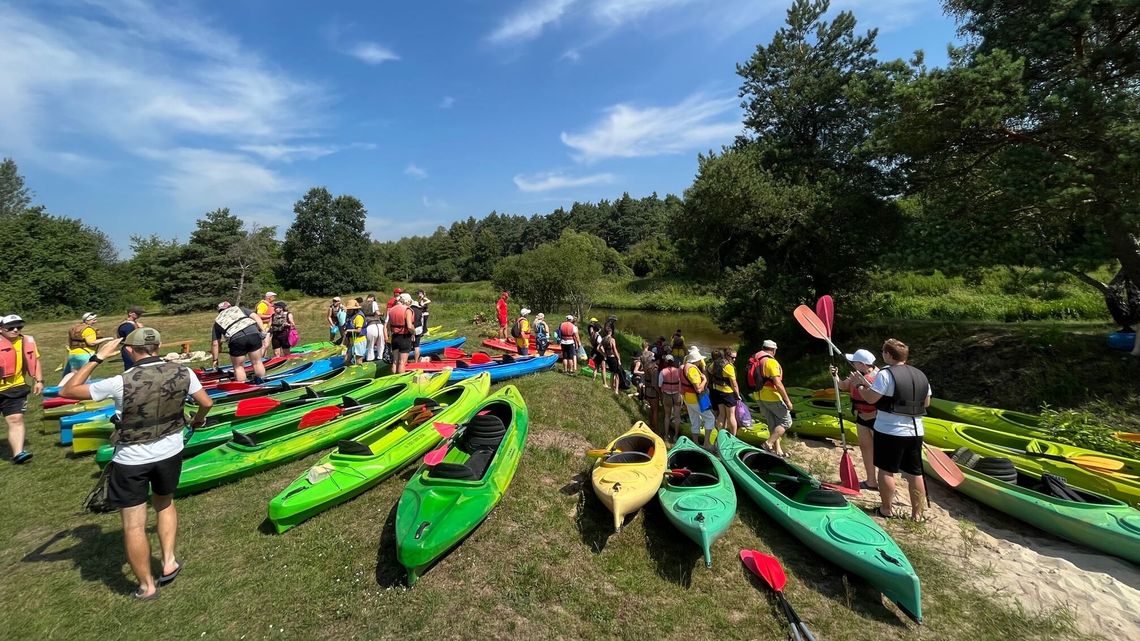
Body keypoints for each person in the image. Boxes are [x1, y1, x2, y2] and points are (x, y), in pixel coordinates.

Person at [60, 330, 212, 600]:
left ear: (129, 350)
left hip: (131, 460)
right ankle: (168, 561)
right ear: (158, 346)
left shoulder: (119, 381)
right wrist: (198, 419)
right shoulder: (184, 372)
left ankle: (147, 586)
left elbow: (68, 390)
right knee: (165, 504)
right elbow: (206, 402)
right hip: (170, 452)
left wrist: (97, 357)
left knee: (133, 525)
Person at [852, 339, 931, 521]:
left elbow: (871, 398)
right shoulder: (920, 374)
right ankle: (917, 515)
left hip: (890, 430)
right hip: (916, 431)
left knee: (886, 470)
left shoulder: (886, 374)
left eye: (883, 352)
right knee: (915, 473)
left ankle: (886, 509)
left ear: (888, 355)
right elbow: (926, 402)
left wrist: (860, 386)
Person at [831, 348, 881, 490]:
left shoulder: (879, 376)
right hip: (861, 417)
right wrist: (835, 376)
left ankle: (884, 482)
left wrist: (863, 384)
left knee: (880, 452)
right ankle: (871, 481)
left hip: (877, 418)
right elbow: (842, 386)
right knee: (866, 448)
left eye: (854, 362)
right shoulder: (856, 375)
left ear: (862, 364)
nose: (852, 364)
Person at [0, 315, 42, 464]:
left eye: (19, 327)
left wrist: (39, 380)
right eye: (11, 327)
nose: (15, 330)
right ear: (1, 329)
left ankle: (18, 453)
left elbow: (35, 361)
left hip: (16, 388)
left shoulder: (27, 341)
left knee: (16, 419)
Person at [754, 340, 793, 457]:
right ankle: (768, 444)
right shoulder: (770, 362)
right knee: (786, 422)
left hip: (758, 395)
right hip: (771, 397)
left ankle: (778, 451)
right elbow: (778, 383)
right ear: (773, 350)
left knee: (773, 423)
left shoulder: (756, 358)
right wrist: (787, 401)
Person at [210, 302, 266, 383]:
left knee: (238, 366)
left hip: (236, 339)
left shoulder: (217, 321)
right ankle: (262, 381)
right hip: (253, 333)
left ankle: (242, 385)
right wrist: (263, 330)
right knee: (257, 362)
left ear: (219, 311)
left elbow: (215, 343)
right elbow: (256, 317)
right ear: (230, 306)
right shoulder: (240, 309)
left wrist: (215, 359)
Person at [681, 348, 715, 444]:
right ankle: (706, 444)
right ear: (696, 360)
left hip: (687, 398)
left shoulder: (684, 367)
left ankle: (695, 443)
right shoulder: (692, 370)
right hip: (695, 398)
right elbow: (698, 389)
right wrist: (704, 380)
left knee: (695, 421)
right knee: (710, 418)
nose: (700, 361)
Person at [709, 348, 742, 436]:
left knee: (722, 414)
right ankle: (733, 437)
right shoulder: (729, 367)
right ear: (727, 356)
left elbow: (709, 370)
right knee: (731, 416)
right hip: (728, 393)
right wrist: (737, 395)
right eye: (732, 357)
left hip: (717, 391)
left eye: (735, 358)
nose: (734, 360)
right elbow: (734, 384)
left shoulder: (716, 363)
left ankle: (720, 435)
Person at [387, 293, 416, 373]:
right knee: (402, 362)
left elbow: (388, 326)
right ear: (407, 301)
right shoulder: (407, 310)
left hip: (395, 337)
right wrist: (414, 332)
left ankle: (393, 377)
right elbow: (409, 326)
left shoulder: (392, 310)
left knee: (395, 362)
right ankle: (400, 378)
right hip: (404, 337)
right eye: (410, 302)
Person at [658, 355, 683, 441]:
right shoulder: (678, 371)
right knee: (677, 416)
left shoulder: (662, 372)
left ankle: (666, 436)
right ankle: (676, 436)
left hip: (667, 395)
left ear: (665, 362)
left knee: (667, 416)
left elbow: (659, 384)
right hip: (677, 395)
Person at [342, 298, 366, 365]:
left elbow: (358, 330)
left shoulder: (358, 317)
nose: (348, 311)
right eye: (348, 309)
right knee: (346, 360)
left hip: (359, 341)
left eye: (350, 309)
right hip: (352, 341)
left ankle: (359, 369)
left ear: (355, 309)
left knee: (358, 361)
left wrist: (348, 330)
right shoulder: (349, 316)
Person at [598, 329, 621, 395]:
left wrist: (604, 354)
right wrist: (618, 359)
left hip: (608, 358)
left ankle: (611, 387)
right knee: (617, 374)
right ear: (611, 332)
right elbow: (614, 349)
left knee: (612, 373)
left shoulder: (603, 339)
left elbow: (598, 348)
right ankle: (616, 390)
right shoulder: (612, 339)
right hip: (613, 357)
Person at [364, 294, 385, 363]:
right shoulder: (374, 303)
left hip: (369, 325)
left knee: (370, 346)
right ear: (372, 298)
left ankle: (370, 359)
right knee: (381, 345)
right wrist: (382, 314)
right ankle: (381, 359)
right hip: (379, 325)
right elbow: (377, 312)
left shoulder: (362, 304)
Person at [587, 318, 605, 382]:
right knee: (602, 366)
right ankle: (604, 382)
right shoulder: (598, 336)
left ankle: (593, 378)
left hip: (594, 351)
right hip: (598, 352)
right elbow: (600, 346)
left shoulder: (592, 336)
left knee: (596, 366)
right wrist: (604, 353)